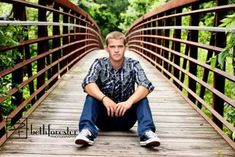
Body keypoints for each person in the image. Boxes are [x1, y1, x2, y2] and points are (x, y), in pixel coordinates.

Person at [74, 31, 160, 147]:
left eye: (120, 46)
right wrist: (104, 98)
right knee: (91, 97)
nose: (116, 50)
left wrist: (129, 102)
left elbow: (145, 85)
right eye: (112, 46)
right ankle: (86, 131)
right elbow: (87, 82)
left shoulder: (133, 64)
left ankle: (146, 133)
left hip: (126, 118)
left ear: (125, 47)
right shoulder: (99, 63)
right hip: (103, 118)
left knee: (141, 98)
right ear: (106, 48)